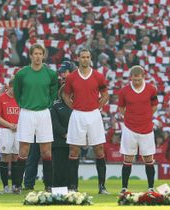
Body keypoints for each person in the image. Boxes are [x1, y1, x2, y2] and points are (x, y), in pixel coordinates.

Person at [62, 48, 109, 194]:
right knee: (74, 150)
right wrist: (73, 106)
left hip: (94, 114)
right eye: (82, 57)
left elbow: (105, 94)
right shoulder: (71, 77)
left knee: (99, 149)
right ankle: (73, 187)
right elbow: (65, 94)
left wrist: (98, 106)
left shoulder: (98, 76)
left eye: (87, 57)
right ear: (78, 59)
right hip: (78, 115)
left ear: (90, 58)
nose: (85, 59)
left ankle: (102, 186)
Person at [13, 43, 58, 193]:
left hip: (44, 113)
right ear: (30, 55)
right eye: (35, 54)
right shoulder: (22, 73)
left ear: (43, 55)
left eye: (40, 54)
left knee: (46, 151)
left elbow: (54, 91)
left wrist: (48, 103)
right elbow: (17, 92)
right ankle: (17, 185)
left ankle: (49, 185)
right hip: (26, 112)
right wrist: (23, 104)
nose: (38, 56)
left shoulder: (50, 74)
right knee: (23, 150)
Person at [118, 65, 158, 193]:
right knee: (128, 158)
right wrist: (131, 118)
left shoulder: (151, 89)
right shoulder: (124, 91)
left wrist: (145, 117)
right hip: (130, 128)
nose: (136, 82)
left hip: (146, 128)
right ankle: (124, 187)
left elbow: (154, 106)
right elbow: (121, 108)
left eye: (139, 80)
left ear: (143, 77)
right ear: (131, 78)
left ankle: (151, 187)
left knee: (148, 158)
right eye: (134, 80)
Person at [0, 77, 20, 193]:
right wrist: (10, 125)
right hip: (6, 130)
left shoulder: (21, 98)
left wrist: (18, 125)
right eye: (15, 88)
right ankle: (5, 186)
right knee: (5, 157)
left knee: (16, 157)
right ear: (9, 86)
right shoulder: (1, 98)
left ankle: (15, 185)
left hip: (18, 130)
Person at [51, 84, 75, 188]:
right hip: (59, 142)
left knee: (72, 166)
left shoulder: (77, 105)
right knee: (59, 166)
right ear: (61, 93)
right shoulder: (55, 106)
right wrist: (65, 134)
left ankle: (72, 186)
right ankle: (58, 188)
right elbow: (54, 123)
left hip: (74, 142)